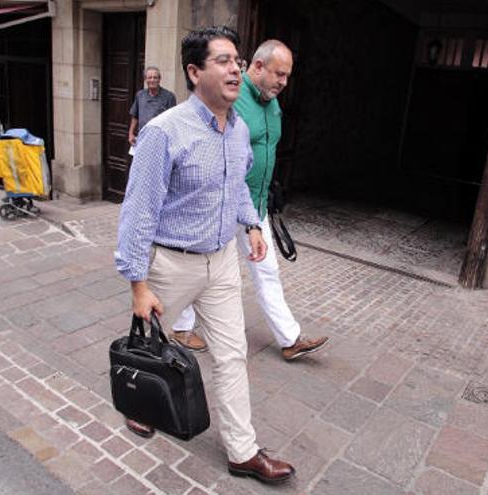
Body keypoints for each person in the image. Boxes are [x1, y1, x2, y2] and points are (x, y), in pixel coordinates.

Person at [115, 26, 295, 485]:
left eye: (237, 60)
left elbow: (235, 189)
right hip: (170, 263)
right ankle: (140, 403)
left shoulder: (238, 132)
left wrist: (252, 224)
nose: (235, 68)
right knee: (148, 347)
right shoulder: (164, 132)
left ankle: (243, 451)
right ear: (195, 72)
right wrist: (138, 284)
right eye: (223, 60)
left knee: (232, 356)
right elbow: (138, 213)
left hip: (220, 264)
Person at [172, 40, 329, 361]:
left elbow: (263, 149)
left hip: (255, 207)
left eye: (287, 76)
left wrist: (268, 192)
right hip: (222, 207)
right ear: (257, 67)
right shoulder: (231, 97)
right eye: (279, 74)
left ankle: (290, 339)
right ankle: (180, 326)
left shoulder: (273, 104)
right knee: (204, 269)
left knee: (267, 270)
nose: (284, 82)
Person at [127, 66, 176, 146]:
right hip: (142, 138)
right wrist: (131, 133)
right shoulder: (140, 95)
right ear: (145, 80)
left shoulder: (169, 97)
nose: (152, 80)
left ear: (159, 79)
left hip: (160, 140)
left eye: (155, 78)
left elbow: (173, 121)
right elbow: (135, 116)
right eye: (149, 78)